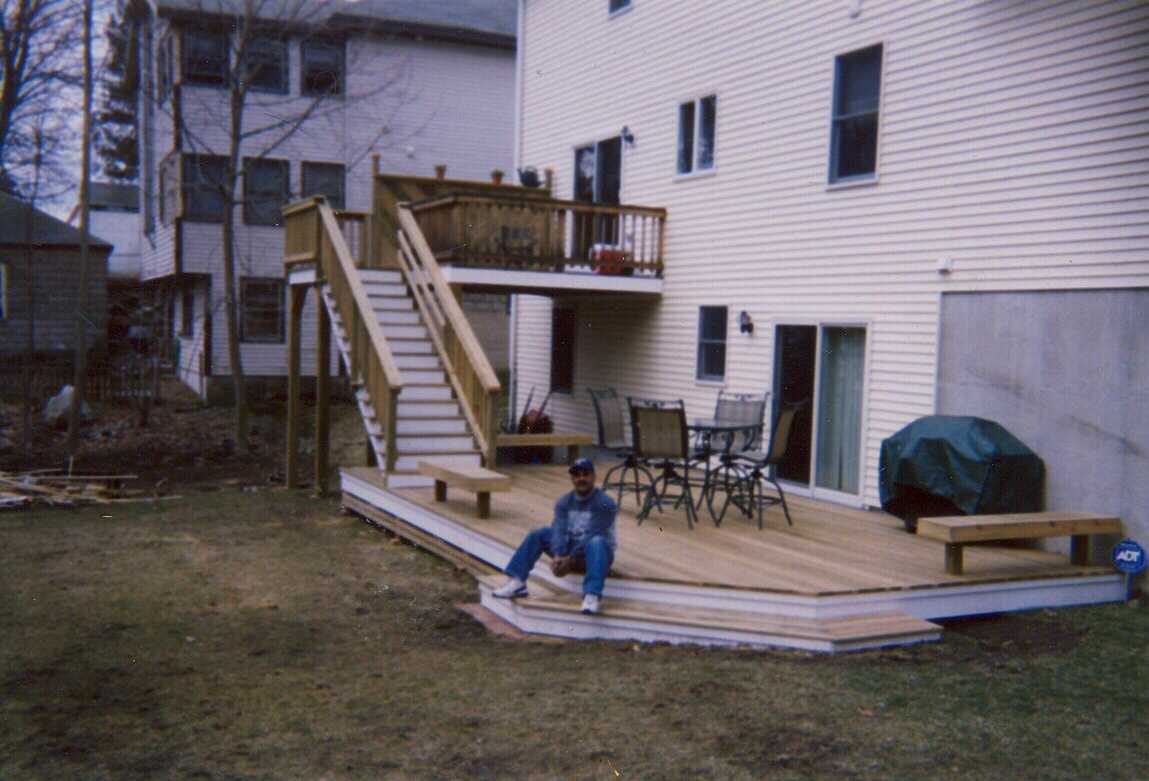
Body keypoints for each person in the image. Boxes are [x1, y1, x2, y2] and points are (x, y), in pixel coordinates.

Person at [492, 457, 618, 614]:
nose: (581, 479)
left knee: (596, 541)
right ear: (572, 478)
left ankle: (591, 595)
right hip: (571, 552)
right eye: (577, 475)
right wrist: (558, 555)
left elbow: (593, 533)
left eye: (586, 474)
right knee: (538, 533)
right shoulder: (564, 502)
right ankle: (517, 582)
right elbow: (559, 529)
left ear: (593, 476)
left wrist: (569, 559)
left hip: (596, 554)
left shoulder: (605, 503)